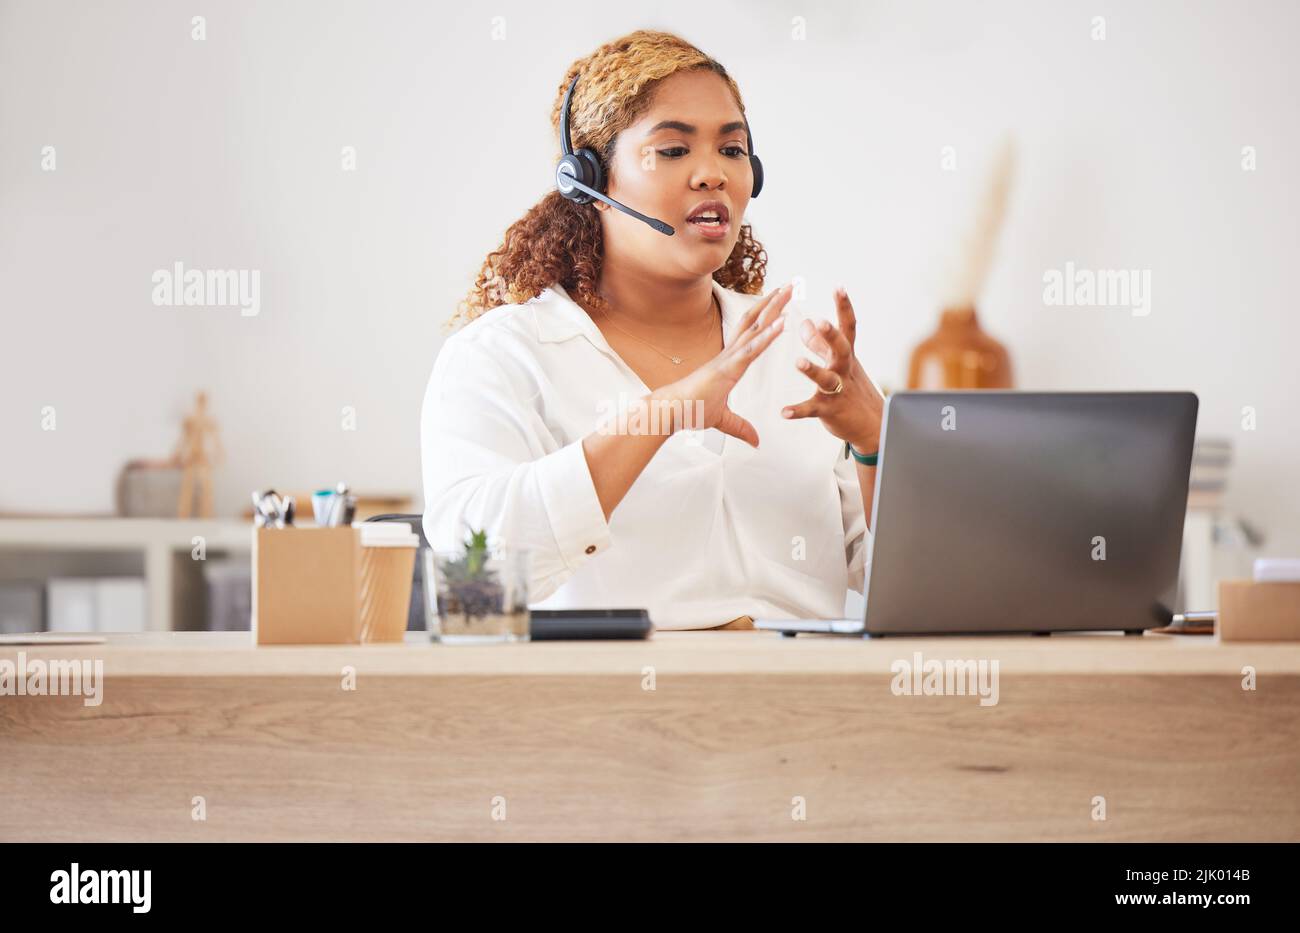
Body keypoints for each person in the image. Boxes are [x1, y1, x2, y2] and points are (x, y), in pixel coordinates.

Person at [422, 30, 884, 630]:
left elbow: (916, 583)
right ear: (588, 178)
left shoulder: (798, 348)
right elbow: (472, 580)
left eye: (733, 149)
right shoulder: (501, 357)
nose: (711, 174)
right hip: (603, 711)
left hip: (801, 706)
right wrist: (656, 417)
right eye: (672, 150)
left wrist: (878, 443)